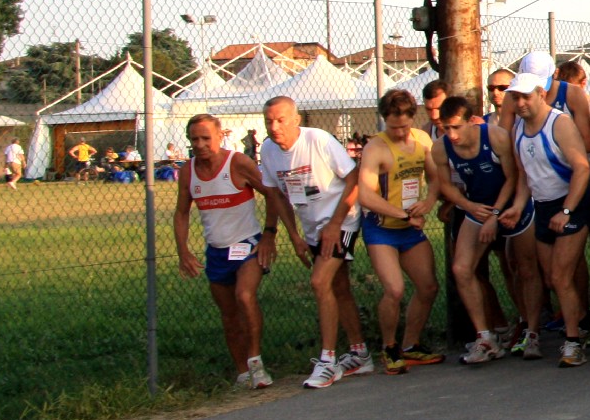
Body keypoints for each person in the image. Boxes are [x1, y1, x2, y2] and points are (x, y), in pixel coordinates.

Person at [258, 96, 370, 389]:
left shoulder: (318, 140)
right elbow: (276, 195)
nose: (274, 126)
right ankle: (360, 353)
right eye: (269, 120)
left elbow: (353, 178)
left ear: (296, 120)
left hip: (341, 220)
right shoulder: (268, 150)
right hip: (311, 227)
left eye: (281, 119)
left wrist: (334, 225)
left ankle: (328, 361)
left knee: (319, 282)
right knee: (338, 286)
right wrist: (293, 236)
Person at [172, 113, 285, 389]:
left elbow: (272, 194)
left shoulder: (238, 163)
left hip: (247, 245)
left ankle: (256, 363)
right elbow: (182, 212)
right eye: (194, 139)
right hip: (217, 251)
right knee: (229, 314)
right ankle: (241, 372)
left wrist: (270, 234)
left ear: (220, 135)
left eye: (205, 138)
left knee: (245, 296)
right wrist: (183, 251)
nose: (199, 144)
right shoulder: (188, 171)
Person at [504, 71, 590, 367]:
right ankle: (584, 322)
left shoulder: (560, 123)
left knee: (560, 276)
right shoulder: (518, 128)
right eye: (515, 97)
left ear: (541, 94)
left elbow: (582, 169)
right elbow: (523, 176)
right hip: (543, 207)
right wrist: (518, 206)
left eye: (525, 97)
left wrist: (566, 210)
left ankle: (572, 343)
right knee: (551, 279)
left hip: (571, 203)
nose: (519, 103)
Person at [357, 89, 446, 373]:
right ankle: (389, 346)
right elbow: (366, 195)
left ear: (412, 118)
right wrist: (402, 215)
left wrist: (429, 201)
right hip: (383, 229)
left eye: (404, 126)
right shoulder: (376, 148)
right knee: (394, 289)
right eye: (393, 127)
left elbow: (435, 179)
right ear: (384, 120)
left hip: (410, 228)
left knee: (429, 287)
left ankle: (410, 345)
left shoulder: (421, 140)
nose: (399, 132)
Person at [429, 94, 516, 365]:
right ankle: (486, 337)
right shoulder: (440, 149)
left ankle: (529, 327)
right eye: (446, 128)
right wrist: (468, 206)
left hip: (510, 207)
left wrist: (496, 214)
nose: (451, 134)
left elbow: (514, 177)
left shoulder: (497, 137)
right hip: (477, 210)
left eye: (457, 127)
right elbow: (445, 185)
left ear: (472, 122)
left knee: (520, 267)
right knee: (461, 269)